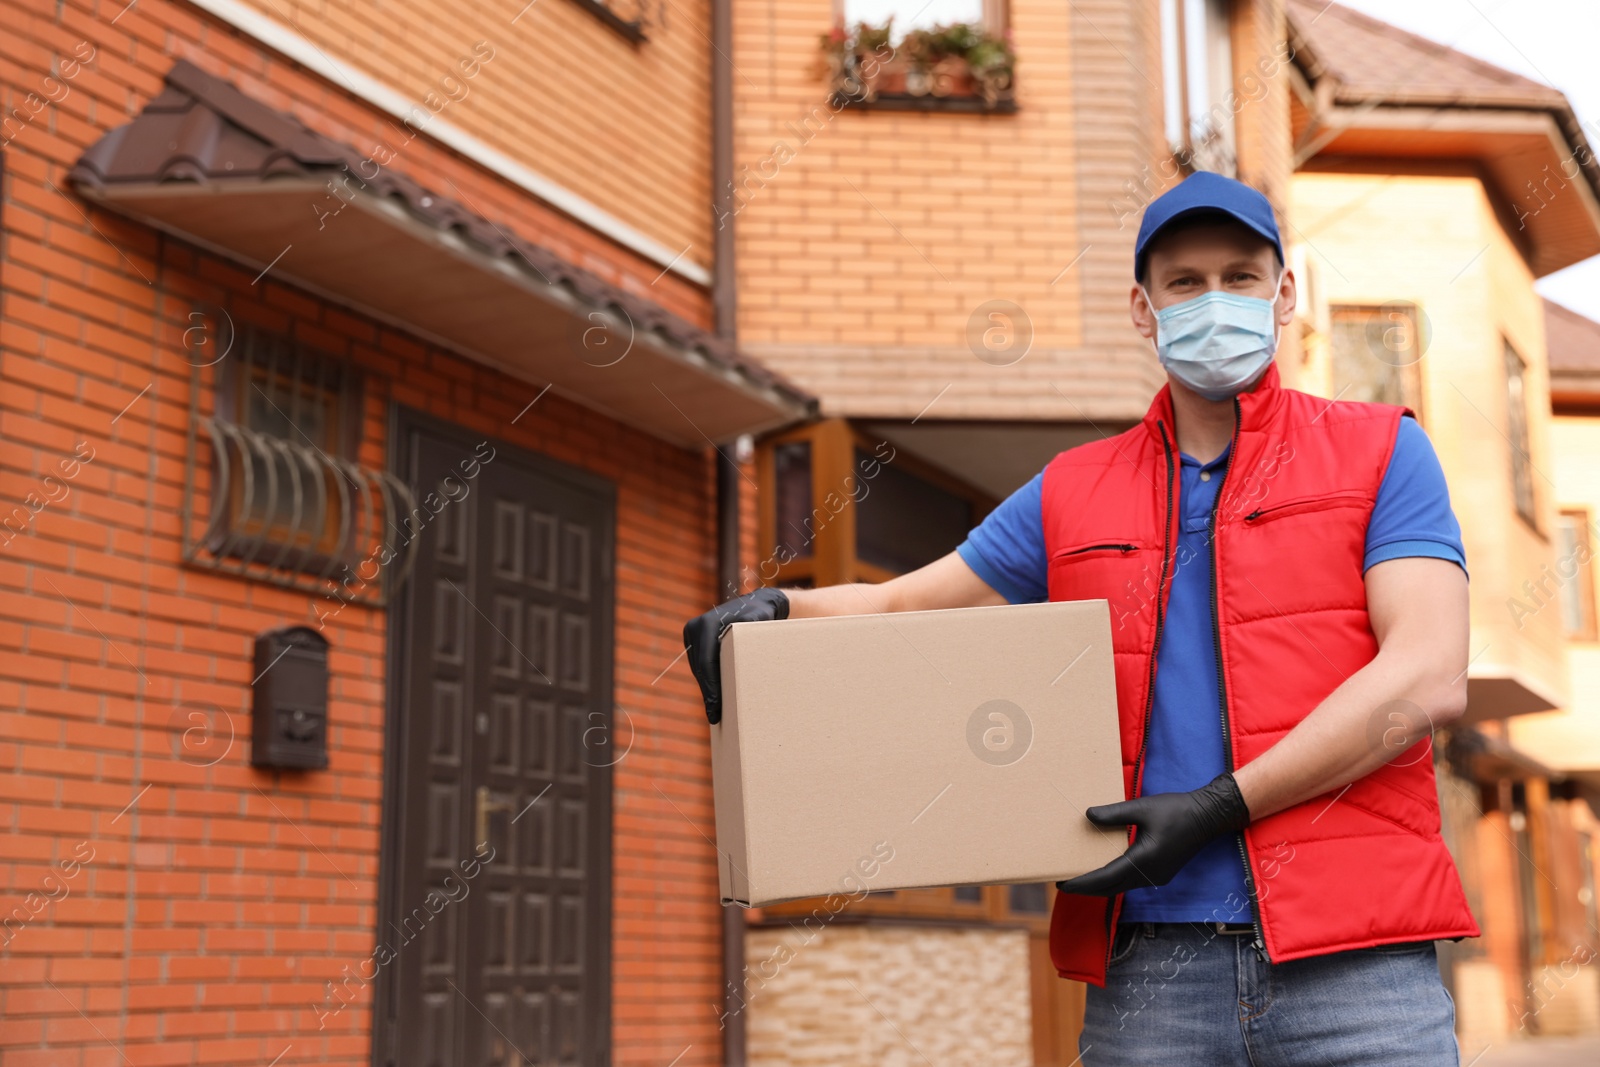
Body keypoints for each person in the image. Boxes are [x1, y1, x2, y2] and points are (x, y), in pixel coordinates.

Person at [681, 171, 1479, 1066]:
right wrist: (781, 609)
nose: (1213, 300)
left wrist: (1219, 808)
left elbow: (1426, 673)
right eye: (1184, 282)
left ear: (1284, 293)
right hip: (1150, 971)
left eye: (1240, 277)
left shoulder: (1382, 451)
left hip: (1357, 967)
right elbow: (904, 603)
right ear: (1143, 310)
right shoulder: (1072, 489)